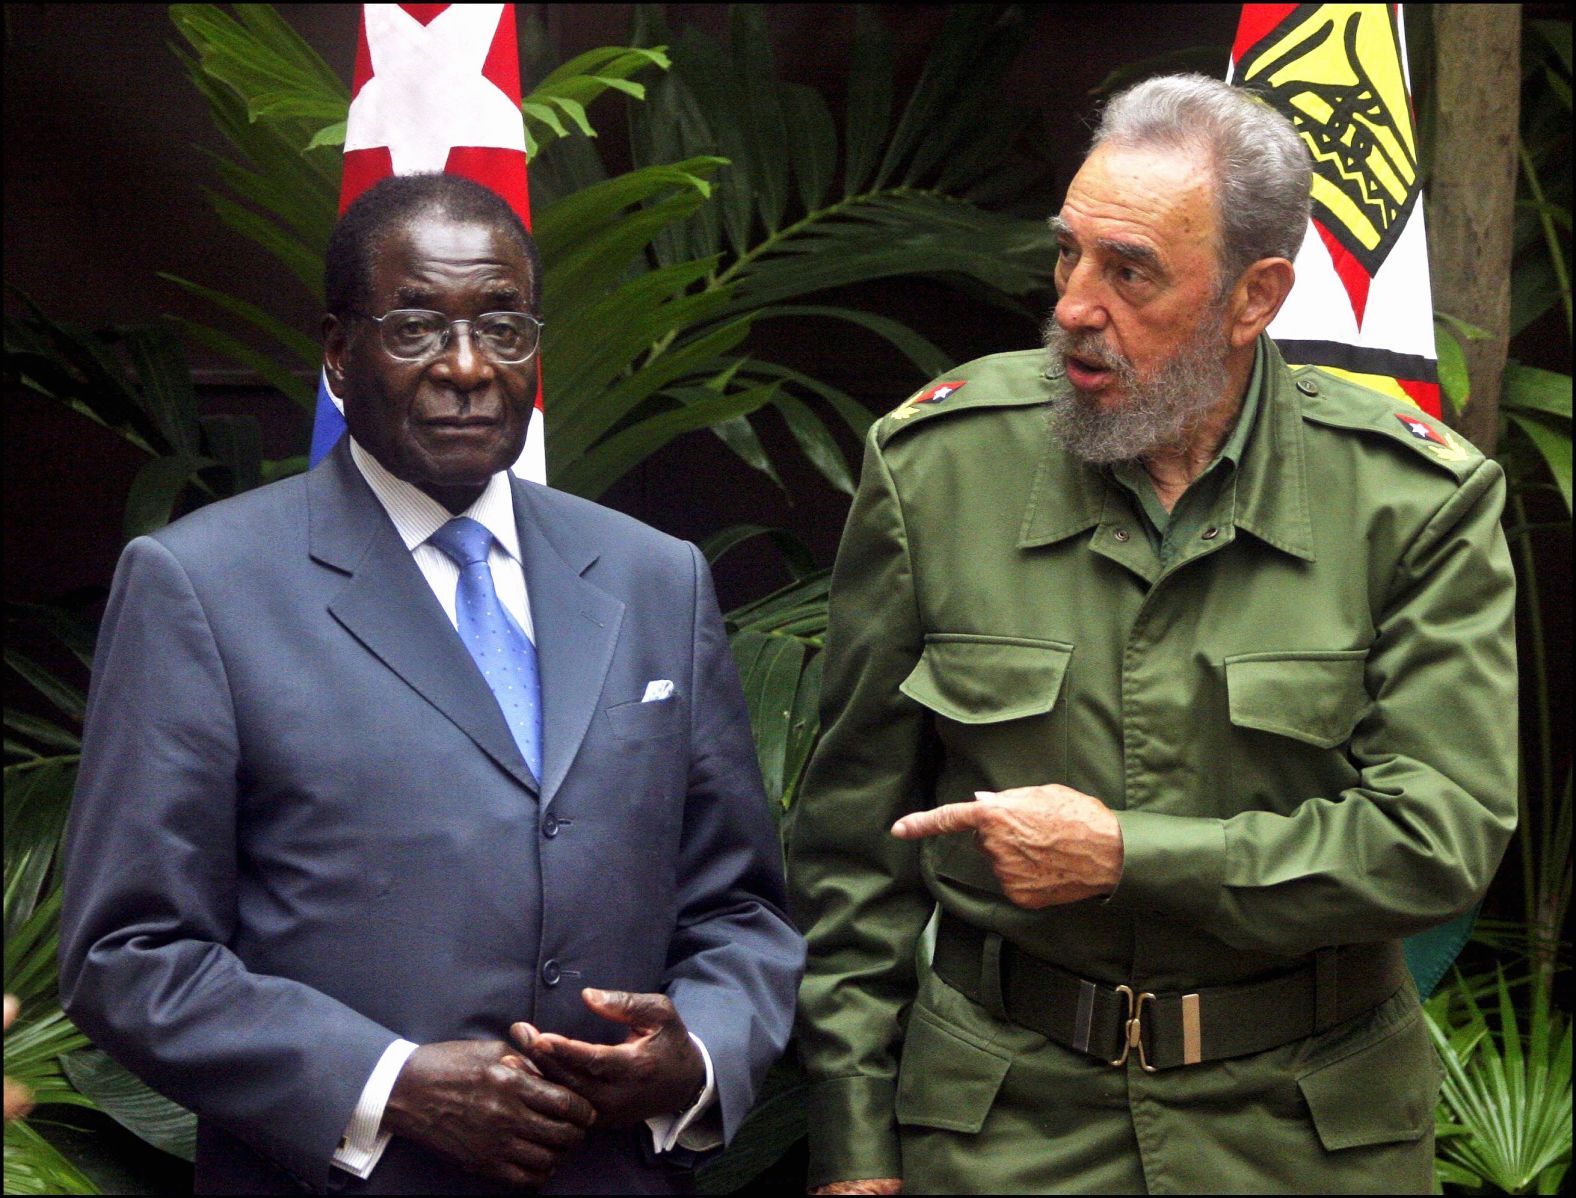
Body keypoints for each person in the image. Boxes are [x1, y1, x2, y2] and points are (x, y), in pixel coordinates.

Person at [788, 74, 1517, 1194]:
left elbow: (1436, 840)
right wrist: (850, 1147)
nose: (1076, 305)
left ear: (1252, 296)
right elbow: (853, 849)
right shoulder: (938, 465)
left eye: (1129, 272)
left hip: (1305, 1133)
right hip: (1005, 1128)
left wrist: (1125, 856)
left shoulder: (1410, 500)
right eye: (1068, 255)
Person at [58, 172, 803, 1195]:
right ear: (335, 351)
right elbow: (130, 952)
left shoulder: (651, 575)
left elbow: (740, 910)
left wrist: (700, 1052)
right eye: (415, 327)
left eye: (503, 326)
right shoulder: (201, 585)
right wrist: (390, 1083)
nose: (467, 367)